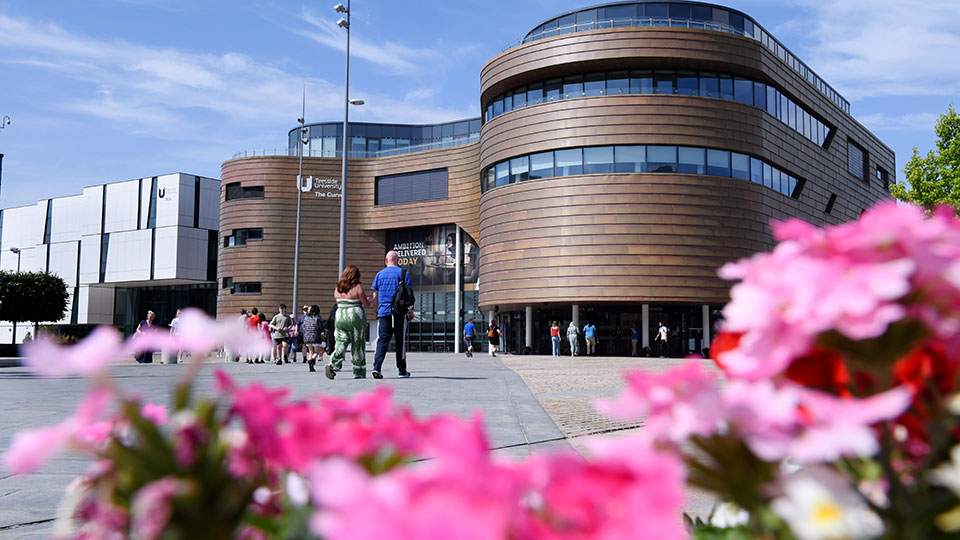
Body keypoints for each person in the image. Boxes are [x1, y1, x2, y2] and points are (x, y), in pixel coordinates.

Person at [370, 251, 414, 379]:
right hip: (399, 313)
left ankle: (376, 367)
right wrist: (410, 310)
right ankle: (401, 370)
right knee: (400, 341)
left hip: (384, 312)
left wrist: (376, 310)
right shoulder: (403, 273)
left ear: (386, 260)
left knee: (382, 340)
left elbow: (375, 295)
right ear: (398, 260)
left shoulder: (379, 275)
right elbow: (409, 293)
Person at [327, 265, 371, 379]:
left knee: (341, 341)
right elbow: (366, 304)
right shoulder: (357, 287)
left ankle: (333, 362)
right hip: (355, 316)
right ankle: (359, 371)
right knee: (358, 344)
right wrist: (371, 300)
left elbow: (338, 301)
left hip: (340, 315)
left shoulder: (338, 288)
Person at [300, 305, 324, 372]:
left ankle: (311, 367)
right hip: (315, 336)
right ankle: (312, 360)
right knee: (317, 351)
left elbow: (303, 327)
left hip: (307, 337)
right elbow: (321, 327)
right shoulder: (318, 318)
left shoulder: (306, 318)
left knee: (310, 351)